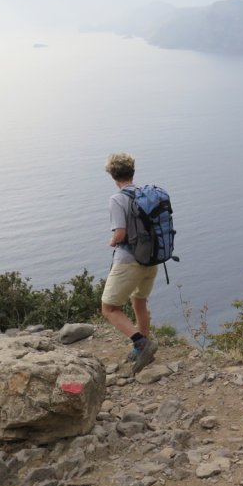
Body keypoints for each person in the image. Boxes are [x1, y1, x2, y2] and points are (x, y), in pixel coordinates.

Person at [101, 152, 159, 374]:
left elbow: (121, 233)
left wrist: (112, 241)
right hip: (152, 258)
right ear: (132, 172)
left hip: (129, 260)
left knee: (109, 307)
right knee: (139, 302)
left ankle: (142, 343)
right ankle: (142, 349)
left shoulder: (117, 199)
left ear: (113, 176)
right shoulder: (147, 194)